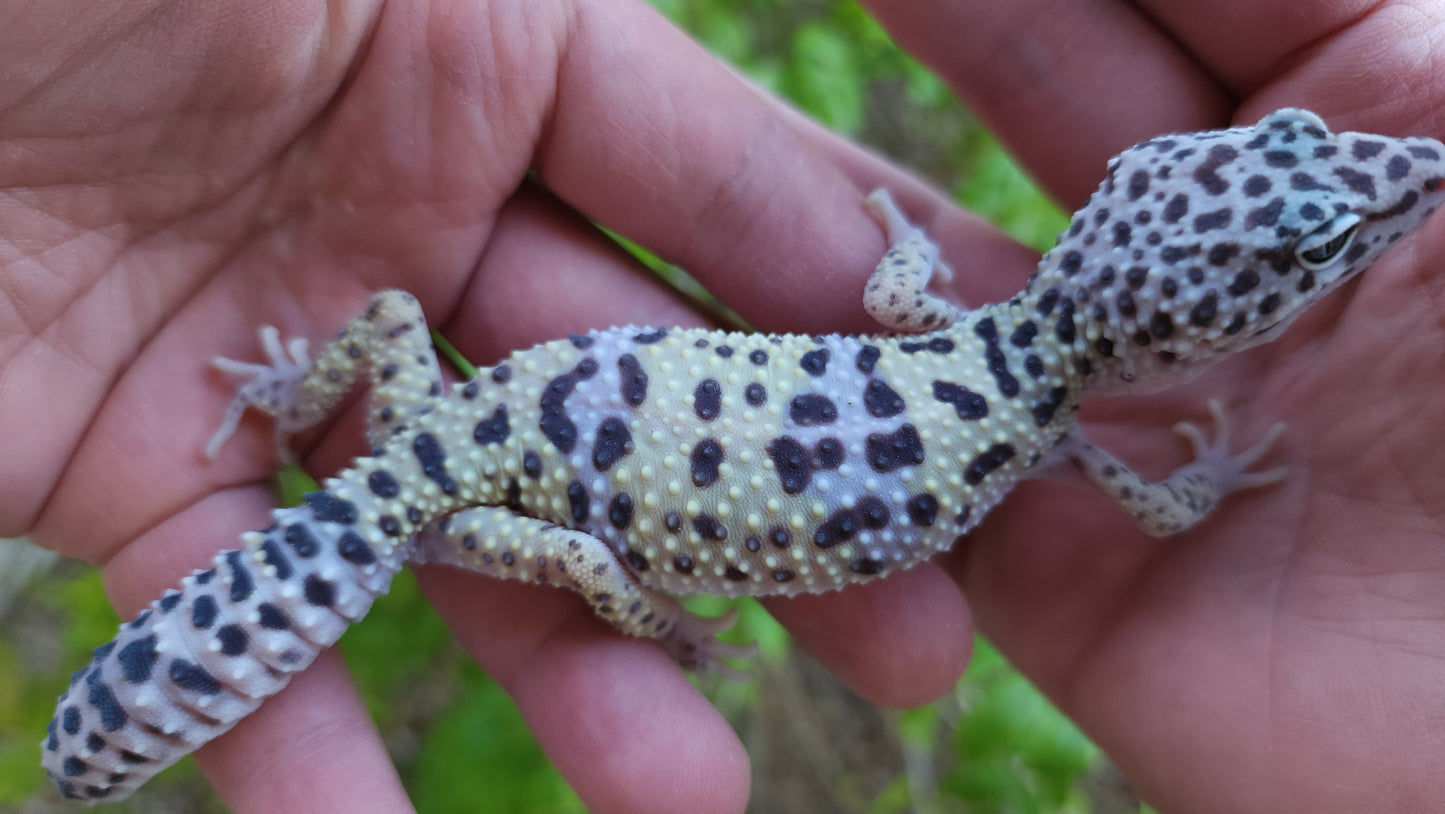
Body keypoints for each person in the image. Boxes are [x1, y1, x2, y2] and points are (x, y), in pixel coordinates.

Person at [4, 1, 1443, 811]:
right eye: (1309, 235)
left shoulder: (949, 336)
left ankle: (273, 401)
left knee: (399, 341)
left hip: (453, 428)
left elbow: (894, 295)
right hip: (466, 494)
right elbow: (1165, 494)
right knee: (581, 563)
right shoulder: (1047, 424)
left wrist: (900, 242)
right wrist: (661, 619)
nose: (1375, 204)